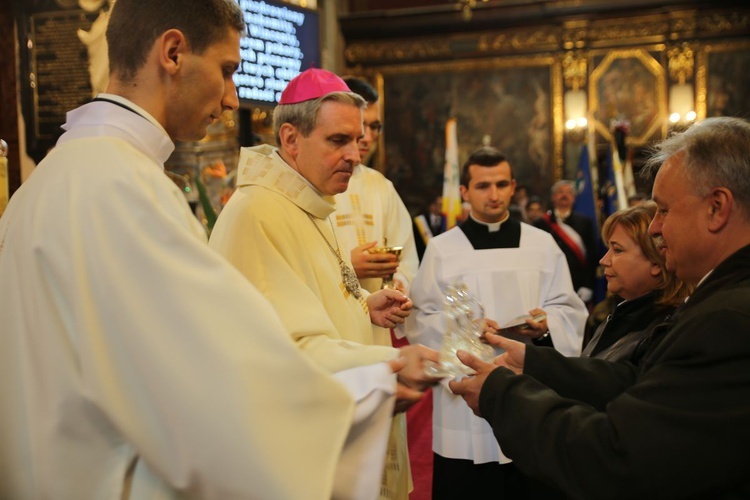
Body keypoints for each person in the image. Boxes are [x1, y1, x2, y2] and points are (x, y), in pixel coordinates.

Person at [0, 2, 418, 498]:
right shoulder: (125, 189)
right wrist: (372, 384)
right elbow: (207, 388)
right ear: (173, 53)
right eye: (225, 71)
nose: (230, 99)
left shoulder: (50, 180)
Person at [449, 117, 750, 499]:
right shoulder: (719, 302)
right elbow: (636, 379)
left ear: (717, 208)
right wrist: (532, 361)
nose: (655, 228)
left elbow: (617, 456)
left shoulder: (726, 321)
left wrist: (500, 394)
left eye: (664, 210)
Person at [208, 67, 441, 500]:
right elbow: (287, 349)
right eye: (339, 141)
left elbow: (309, 302)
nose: (356, 153)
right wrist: (385, 365)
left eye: (357, 139)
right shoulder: (259, 213)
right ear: (291, 139)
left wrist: (363, 306)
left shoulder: (307, 201)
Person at [403, 146, 587, 499]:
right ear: (464, 192)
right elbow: (421, 318)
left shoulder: (542, 245)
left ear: (513, 186)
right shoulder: (442, 249)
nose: (494, 194)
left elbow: (568, 308)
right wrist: (462, 326)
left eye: (502, 184)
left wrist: (546, 325)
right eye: (483, 186)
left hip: (527, 386)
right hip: (466, 392)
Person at [334, 76, 419, 295]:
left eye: (375, 127)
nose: (367, 137)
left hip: (378, 318)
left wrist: (400, 282)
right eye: (361, 125)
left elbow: (407, 256)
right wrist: (347, 266)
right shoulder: (312, 185)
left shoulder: (381, 186)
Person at [582, 202, 692, 362]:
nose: (603, 260)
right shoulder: (616, 314)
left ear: (656, 261)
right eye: (608, 249)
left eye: (617, 250)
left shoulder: (667, 332)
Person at [534, 180, 598, 305]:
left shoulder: (585, 222)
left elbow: (591, 256)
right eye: (560, 192)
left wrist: (588, 285)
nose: (564, 195)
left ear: (574, 198)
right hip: (549, 283)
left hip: (577, 283)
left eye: (568, 192)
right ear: (553, 197)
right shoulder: (541, 223)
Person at [414, 194, 446, 261]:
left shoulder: (446, 221)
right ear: (432, 206)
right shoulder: (420, 221)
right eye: (440, 205)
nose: (444, 208)